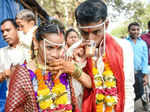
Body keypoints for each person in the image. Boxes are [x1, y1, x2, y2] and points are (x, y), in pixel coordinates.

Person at [5, 21, 92, 112]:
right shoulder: (23, 73)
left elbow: (90, 85)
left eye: (59, 48)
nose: (55, 54)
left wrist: (73, 69)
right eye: (49, 48)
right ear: (36, 43)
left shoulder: (65, 66)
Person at [74, 0, 135, 112]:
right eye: (84, 33)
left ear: (106, 25)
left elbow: (127, 89)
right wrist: (79, 63)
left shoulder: (124, 47)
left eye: (96, 32)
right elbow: (75, 95)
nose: (90, 38)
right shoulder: (73, 51)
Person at [0, 19, 26, 112]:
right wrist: (4, 74)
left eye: (8, 30)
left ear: (18, 29)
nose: (4, 34)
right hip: (14, 102)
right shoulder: (2, 53)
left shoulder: (28, 48)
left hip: (34, 98)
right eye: (2, 32)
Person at [126, 22, 149, 111]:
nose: (135, 31)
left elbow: (145, 59)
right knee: (129, 91)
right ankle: (130, 107)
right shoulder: (125, 42)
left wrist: (145, 74)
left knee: (140, 92)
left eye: (137, 29)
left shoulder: (143, 43)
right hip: (128, 72)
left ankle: (143, 101)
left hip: (139, 72)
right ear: (129, 31)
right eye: (133, 30)